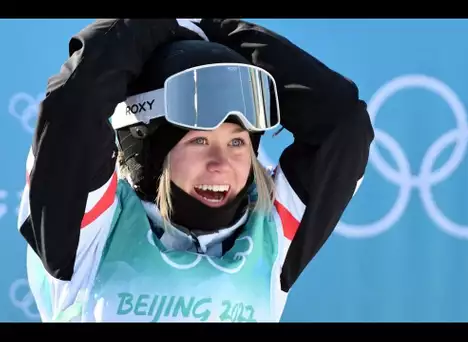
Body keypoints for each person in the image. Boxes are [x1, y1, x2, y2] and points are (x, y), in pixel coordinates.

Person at [17, 19, 374, 322]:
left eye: (237, 143)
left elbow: (343, 124)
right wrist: (157, 24)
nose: (221, 164)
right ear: (149, 152)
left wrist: (214, 28)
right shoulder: (90, 235)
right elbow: (75, 102)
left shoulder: (272, 235)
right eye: (198, 141)